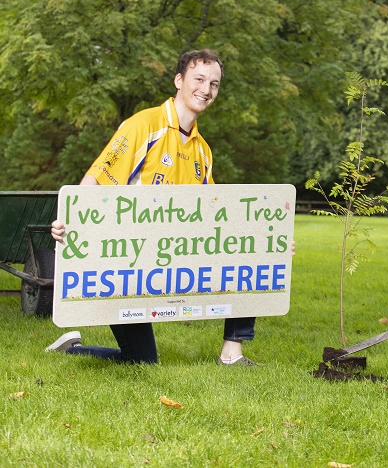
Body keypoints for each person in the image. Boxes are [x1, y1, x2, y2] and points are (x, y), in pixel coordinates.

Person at [46, 49, 265, 366]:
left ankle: (232, 352)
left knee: (248, 251)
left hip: (168, 262)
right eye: (199, 79)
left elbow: (220, 216)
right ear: (179, 80)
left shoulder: (203, 151)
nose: (206, 89)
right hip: (126, 265)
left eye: (214, 84)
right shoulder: (143, 125)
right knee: (142, 362)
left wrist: (269, 243)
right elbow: (96, 177)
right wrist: (70, 221)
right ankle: (71, 349)